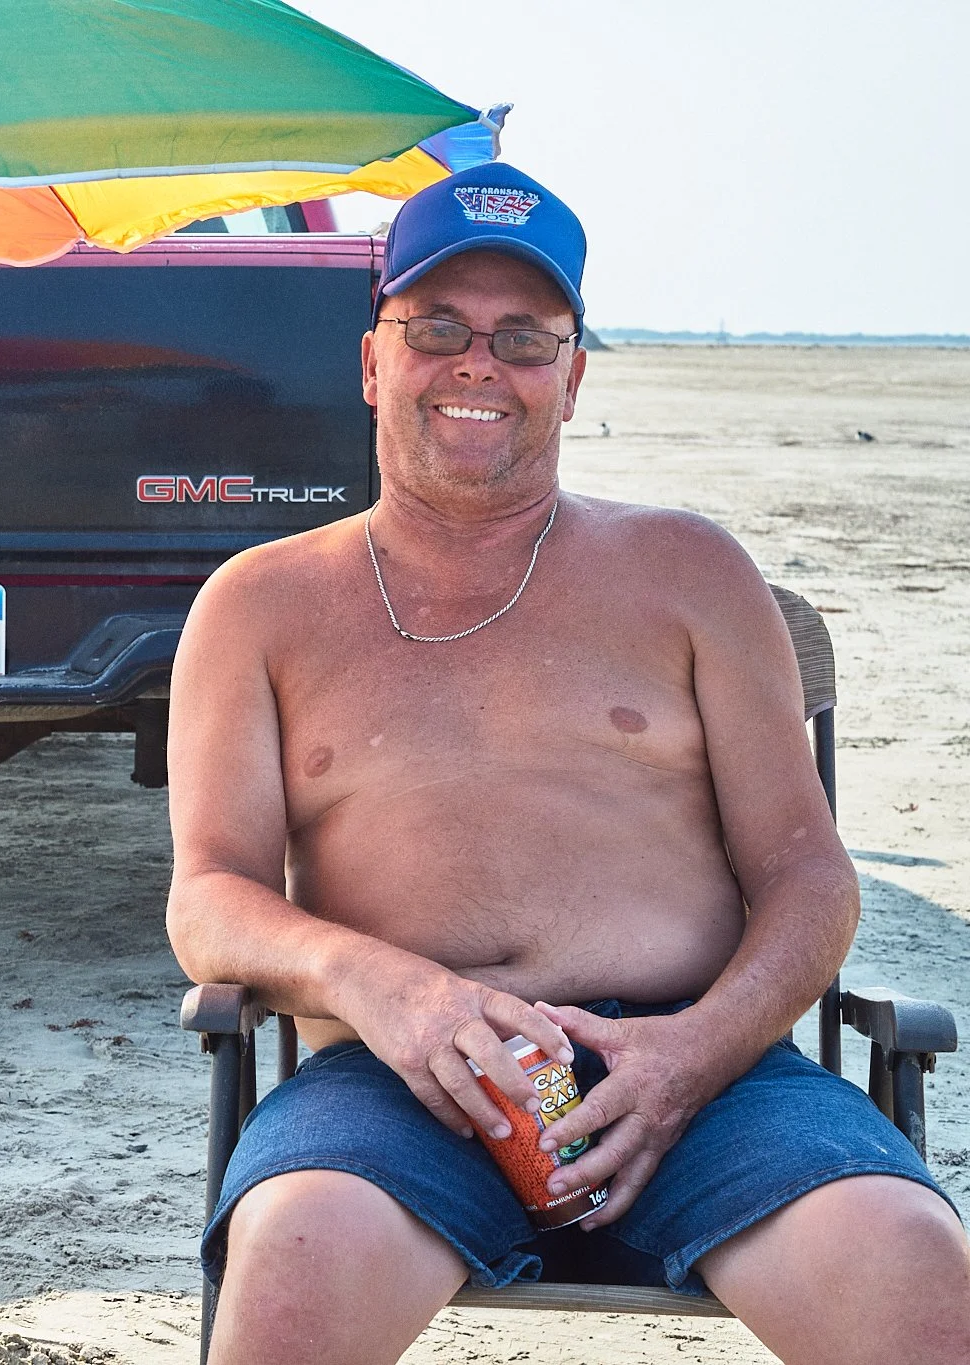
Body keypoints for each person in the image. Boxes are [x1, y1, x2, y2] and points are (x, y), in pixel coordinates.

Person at [165, 162, 970, 1365]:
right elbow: (211, 897)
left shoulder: (689, 573)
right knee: (292, 1255)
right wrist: (383, 986)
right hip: (397, 1086)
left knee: (911, 1266)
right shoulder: (259, 605)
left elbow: (808, 879)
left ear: (572, 376)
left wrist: (694, 1053)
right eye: (435, 327)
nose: (477, 364)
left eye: (523, 338)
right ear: (372, 361)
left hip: (711, 1081)